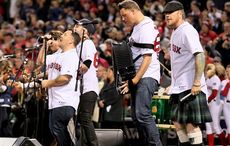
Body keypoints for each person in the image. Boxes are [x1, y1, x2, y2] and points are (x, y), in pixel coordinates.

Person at [163, 1, 212, 146]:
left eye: (170, 14)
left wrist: (197, 82)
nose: (167, 17)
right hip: (179, 86)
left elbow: (200, 55)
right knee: (178, 123)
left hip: (191, 87)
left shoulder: (187, 30)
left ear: (180, 13)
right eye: (165, 15)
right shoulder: (174, 32)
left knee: (191, 125)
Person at [118, 0, 162, 145]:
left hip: (146, 75)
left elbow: (147, 58)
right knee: (137, 117)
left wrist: (134, 80)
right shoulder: (138, 26)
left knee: (142, 114)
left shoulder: (145, 28)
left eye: (125, 15)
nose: (123, 19)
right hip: (139, 75)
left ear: (133, 11)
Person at [41, 30, 80, 146]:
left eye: (65, 34)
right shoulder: (59, 56)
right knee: (55, 129)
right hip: (55, 101)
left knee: (57, 129)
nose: (62, 36)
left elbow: (65, 78)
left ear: (71, 41)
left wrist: (47, 83)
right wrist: (44, 45)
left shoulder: (71, 55)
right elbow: (41, 61)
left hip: (64, 100)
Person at [73, 18, 99, 146]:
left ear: (84, 30)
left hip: (87, 86)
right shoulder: (80, 44)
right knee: (81, 119)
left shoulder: (87, 43)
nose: (74, 27)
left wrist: (71, 71)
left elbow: (87, 63)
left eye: (77, 26)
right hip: (84, 86)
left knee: (84, 117)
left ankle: (94, 144)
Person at [204, 64, 226, 146]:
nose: (207, 71)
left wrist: (206, 101)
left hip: (215, 103)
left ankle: (225, 144)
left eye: (209, 69)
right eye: (207, 69)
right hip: (208, 103)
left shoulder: (216, 79)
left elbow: (214, 94)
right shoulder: (207, 79)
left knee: (216, 126)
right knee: (208, 126)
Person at [221, 65, 230, 145]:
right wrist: (228, 84)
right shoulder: (224, 82)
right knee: (229, 127)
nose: (228, 73)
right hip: (227, 105)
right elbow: (223, 94)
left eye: (229, 71)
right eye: (227, 71)